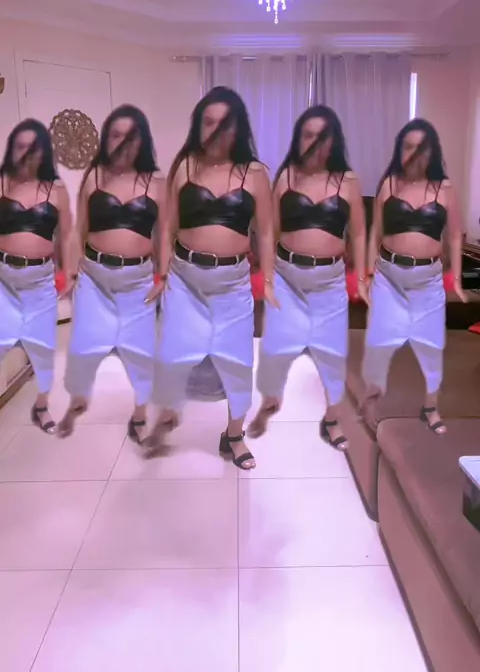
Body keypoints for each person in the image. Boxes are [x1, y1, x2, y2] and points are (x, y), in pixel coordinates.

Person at [144, 86, 275, 469]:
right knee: (175, 352)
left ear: (239, 128)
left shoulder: (255, 173)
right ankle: (168, 415)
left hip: (232, 283)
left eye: (225, 123)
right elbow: (167, 226)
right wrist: (162, 274)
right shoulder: (185, 166)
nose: (216, 130)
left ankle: (233, 436)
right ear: (198, 126)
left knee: (236, 360)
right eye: (209, 122)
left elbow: (266, 231)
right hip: (185, 278)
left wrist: (268, 280)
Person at [248, 105, 367, 450]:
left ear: (334, 140)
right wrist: (267, 276)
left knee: (333, 352)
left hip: (330, 280)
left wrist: (361, 277)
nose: (314, 142)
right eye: (308, 135)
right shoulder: (287, 177)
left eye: (322, 136)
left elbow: (359, 233)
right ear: (299, 140)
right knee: (276, 347)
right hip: (287, 276)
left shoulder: (348, 181)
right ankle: (270, 402)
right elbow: (269, 230)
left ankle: (332, 419)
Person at [57, 105, 165, 442]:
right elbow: (78, 230)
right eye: (117, 134)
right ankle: (78, 399)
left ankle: (140, 412)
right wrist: (71, 273)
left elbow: (164, 234)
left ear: (142, 140)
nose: (123, 142)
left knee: (141, 350)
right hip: (94, 276)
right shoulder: (95, 177)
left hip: (138, 280)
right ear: (107, 139)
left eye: (131, 135)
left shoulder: (156, 183)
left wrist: (163, 276)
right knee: (85, 343)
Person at [361, 118, 465, 434]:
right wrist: (368, 274)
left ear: (432, 151)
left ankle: (430, 407)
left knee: (431, 346)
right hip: (389, 276)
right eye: (409, 146)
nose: (415, 153)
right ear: (400, 150)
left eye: (422, 147)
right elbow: (376, 232)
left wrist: (457, 279)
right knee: (379, 343)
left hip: (428, 279)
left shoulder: (445, 189)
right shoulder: (390, 185)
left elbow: (455, 235)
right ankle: (370, 402)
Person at [0, 119, 72, 433]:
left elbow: (66, 235)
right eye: (21, 146)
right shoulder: (2, 183)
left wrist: (69, 273)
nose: (27, 153)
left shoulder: (56, 189)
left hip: (40, 279)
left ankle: (41, 406)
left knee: (42, 349)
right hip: (4, 277)